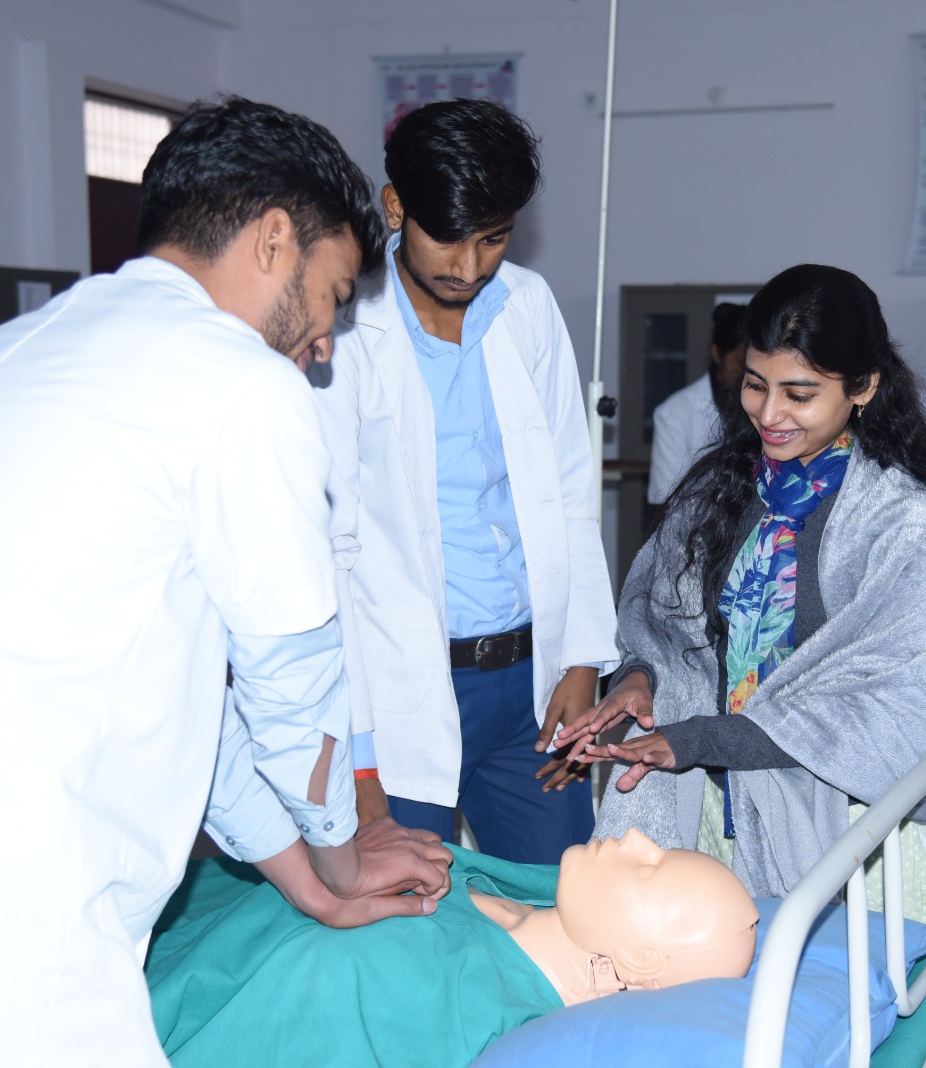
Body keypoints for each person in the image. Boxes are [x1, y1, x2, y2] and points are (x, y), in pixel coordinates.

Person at [0, 98, 453, 1068]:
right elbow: (293, 691)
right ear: (275, 239)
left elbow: (194, 709)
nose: (325, 343)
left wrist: (305, 878)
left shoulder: (8, 356)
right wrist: (343, 854)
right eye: (332, 295)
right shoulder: (240, 386)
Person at [555, 264, 926, 924]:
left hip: (853, 835)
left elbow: (900, 710)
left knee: (823, 988)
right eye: (755, 384)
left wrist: (702, 738)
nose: (768, 413)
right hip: (712, 811)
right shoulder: (719, 493)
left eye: (799, 393)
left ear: (864, 387)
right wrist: (641, 678)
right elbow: (665, 626)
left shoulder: (905, 525)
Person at [316, 98, 618, 864]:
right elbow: (329, 551)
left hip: (528, 685)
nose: (469, 267)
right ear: (395, 208)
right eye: (448, 238)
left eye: (493, 238)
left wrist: (582, 660)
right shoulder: (342, 330)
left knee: (564, 895)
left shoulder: (527, 306)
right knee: (411, 912)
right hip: (403, 688)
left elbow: (570, 492)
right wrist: (359, 756)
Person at [145, 828, 757, 1067]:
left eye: (649, 869)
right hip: (182, 911)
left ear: (641, 960)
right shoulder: (533, 894)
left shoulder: (451, 1003)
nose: (638, 837)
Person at [647, 301, 748, 504]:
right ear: (717, 354)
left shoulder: (766, 406)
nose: (747, 373)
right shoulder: (675, 412)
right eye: (740, 363)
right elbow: (665, 497)